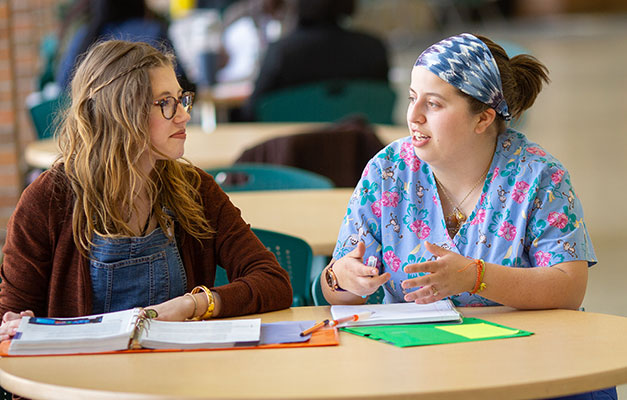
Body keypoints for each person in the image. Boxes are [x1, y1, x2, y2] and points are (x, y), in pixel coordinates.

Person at [321, 32, 617, 400]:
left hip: (528, 370)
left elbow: (569, 288)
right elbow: (334, 290)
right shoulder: (387, 171)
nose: (412, 116)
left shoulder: (538, 176)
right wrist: (342, 278)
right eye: (413, 98)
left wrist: (474, 277)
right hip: (417, 370)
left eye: (434, 104)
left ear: (484, 118)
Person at [0, 40, 292, 340]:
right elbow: (9, 315)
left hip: (179, 378)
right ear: (122, 112)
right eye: (165, 103)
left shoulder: (194, 190)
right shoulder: (47, 201)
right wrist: (16, 325)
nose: (184, 115)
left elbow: (273, 281)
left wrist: (196, 304)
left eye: (182, 99)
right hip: (80, 384)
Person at [238, 0, 390, 121]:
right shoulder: (374, 49)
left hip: (290, 155)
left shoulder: (282, 53)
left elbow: (252, 111)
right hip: (359, 153)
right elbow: (382, 106)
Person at [55, 0, 192, 91]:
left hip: (100, 127)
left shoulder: (85, 35)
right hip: (147, 123)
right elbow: (180, 82)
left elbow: (63, 83)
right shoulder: (152, 31)